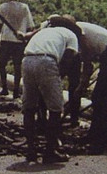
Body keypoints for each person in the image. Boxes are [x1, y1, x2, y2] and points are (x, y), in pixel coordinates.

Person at [21, 17, 81, 164]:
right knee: (55, 109)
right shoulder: (71, 35)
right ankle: (49, 151)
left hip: (27, 60)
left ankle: (31, 150)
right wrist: (56, 81)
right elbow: (68, 60)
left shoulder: (45, 32)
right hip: (47, 61)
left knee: (29, 108)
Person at [73, 21, 107, 155]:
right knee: (97, 98)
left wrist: (81, 86)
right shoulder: (79, 29)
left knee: (103, 101)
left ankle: (100, 142)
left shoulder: (79, 32)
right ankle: (94, 134)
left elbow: (87, 63)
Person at [0, 0, 35, 99]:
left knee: (2, 63)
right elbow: (30, 26)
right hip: (19, 40)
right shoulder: (24, 7)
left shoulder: (3, 7)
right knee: (18, 66)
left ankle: (4, 88)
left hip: (6, 39)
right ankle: (16, 90)